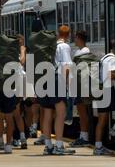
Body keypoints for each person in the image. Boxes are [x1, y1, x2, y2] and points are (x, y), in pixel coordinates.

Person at [39, 25, 75, 156]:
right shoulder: (64, 47)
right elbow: (66, 66)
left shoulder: (49, 46)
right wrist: (68, 85)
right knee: (61, 113)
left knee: (47, 113)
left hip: (43, 79)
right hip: (56, 79)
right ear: (68, 35)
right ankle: (59, 145)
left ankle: (48, 145)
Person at [93, 45, 115, 156]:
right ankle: (98, 146)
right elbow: (110, 74)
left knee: (101, 120)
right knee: (102, 120)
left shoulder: (104, 58)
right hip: (106, 90)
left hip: (99, 89)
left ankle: (99, 145)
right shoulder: (112, 59)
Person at [70, 30, 91, 148]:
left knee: (82, 112)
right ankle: (83, 135)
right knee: (81, 111)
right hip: (81, 84)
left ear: (79, 38)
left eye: (76, 38)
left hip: (81, 85)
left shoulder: (82, 52)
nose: (75, 40)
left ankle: (84, 136)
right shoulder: (82, 51)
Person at [12, 34, 27, 149]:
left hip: (16, 84)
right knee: (16, 114)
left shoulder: (9, 51)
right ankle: (19, 138)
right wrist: (23, 50)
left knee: (15, 113)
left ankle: (19, 138)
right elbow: (22, 61)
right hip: (16, 83)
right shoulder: (18, 51)